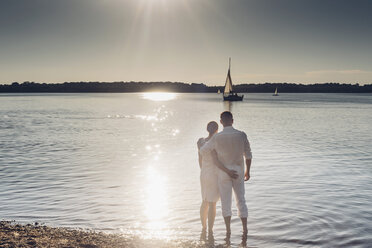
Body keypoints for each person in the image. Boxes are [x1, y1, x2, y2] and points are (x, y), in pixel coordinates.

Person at [200, 111, 252, 246]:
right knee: (241, 200)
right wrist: (248, 172)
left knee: (225, 202)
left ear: (221, 122)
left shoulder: (217, 137)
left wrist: (214, 152)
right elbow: (248, 155)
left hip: (223, 173)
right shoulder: (241, 135)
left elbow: (203, 150)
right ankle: (245, 230)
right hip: (239, 172)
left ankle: (228, 232)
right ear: (232, 121)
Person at [197, 121, 220, 239]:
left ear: (207, 129)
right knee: (212, 203)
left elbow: (199, 159)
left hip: (204, 174)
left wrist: (203, 170)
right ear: (217, 129)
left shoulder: (200, 141)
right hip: (214, 174)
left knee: (204, 200)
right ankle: (210, 230)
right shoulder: (217, 141)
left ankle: (204, 227)